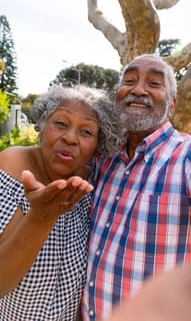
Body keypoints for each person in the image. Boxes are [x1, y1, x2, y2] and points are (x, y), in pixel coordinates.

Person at [82, 54, 191, 320]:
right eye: (129, 80)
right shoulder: (103, 159)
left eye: (154, 83)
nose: (138, 89)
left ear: (172, 106)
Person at [0, 84, 123, 321]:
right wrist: (41, 217)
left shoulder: (93, 182)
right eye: (61, 123)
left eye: (86, 132)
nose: (70, 138)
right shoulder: (13, 166)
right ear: (42, 124)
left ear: (99, 146)